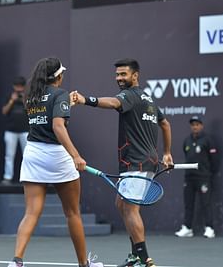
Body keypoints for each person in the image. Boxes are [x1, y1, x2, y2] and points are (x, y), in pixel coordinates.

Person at [71, 58, 173, 267]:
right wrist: (167, 153)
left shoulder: (129, 96)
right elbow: (165, 123)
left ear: (135, 75)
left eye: (123, 74)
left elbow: (113, 103)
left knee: (130, 209)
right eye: (117, 74)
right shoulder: (148, 99)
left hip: (137, 162)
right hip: (144, 161)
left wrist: (85, 100)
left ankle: (144, 259)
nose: (119, 78)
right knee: (121, 204)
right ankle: (136, 254)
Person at [8, 57, 103, 267]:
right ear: (58, 76)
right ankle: (83, 265)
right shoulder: (59, 94)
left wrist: (66, 103)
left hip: (33, 154)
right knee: (72, 213)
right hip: (56, 156)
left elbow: (45, 114)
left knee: (31, 213)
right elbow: (58, 127)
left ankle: (16, 261)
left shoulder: (31, 96)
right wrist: (76, 155)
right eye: (62, 74)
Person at [175, 115, 219, 239]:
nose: (195, 127)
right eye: (193, 125)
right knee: (188, 203)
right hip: (189, 177)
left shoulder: (208, 140)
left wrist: (208, 172)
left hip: (203, 177)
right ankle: (187, 228)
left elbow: (214, 160)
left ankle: (209, 228)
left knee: (206, 203)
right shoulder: (187, 141)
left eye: (197, 124)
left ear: (201, 126)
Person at [1, 76, 29, 184]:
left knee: (27, 156)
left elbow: (32, 110)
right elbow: (4, 111)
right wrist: (12, 100)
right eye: (17, 87)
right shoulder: (9, 97)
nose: (18, 89)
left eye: (20, 87)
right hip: (11, 130)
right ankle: (7, 176)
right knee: (9, 155)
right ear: (14, 87)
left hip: (25, 130)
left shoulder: (28, 97)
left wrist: (24, 100)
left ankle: (27, 177)